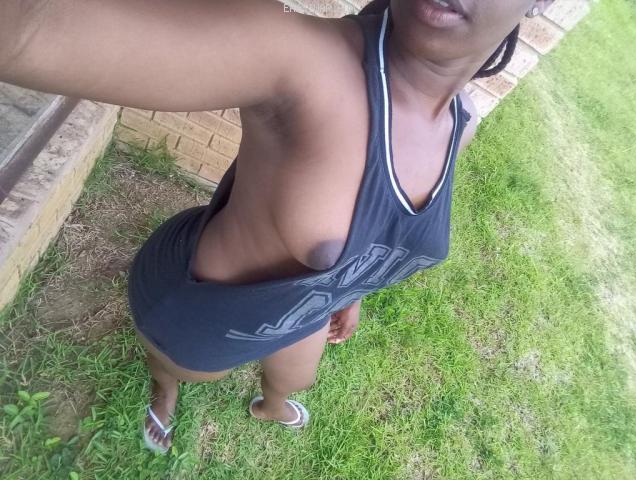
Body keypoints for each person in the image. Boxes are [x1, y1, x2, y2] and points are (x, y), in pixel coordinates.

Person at [0, 0, 555, 453]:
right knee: (186, 372)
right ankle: (163, 391)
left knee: (296, 378)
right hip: (198, 308)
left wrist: (352, 289)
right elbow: (29, 30)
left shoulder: (462, 122)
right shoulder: (303, 60)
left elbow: (384, 231)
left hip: (303, 308)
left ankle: (272, 406)